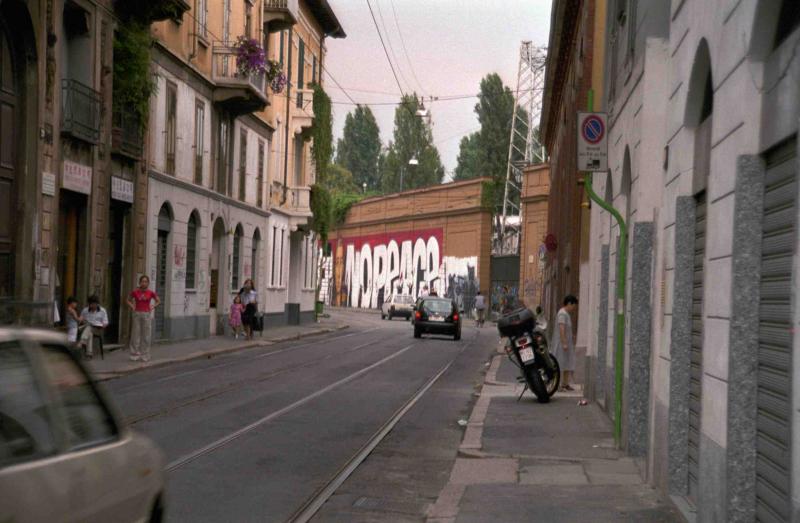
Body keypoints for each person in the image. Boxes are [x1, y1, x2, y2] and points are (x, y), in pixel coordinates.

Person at [126, 275, 160, 362]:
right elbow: (128, 300)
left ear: (148, 283)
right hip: (137, 313)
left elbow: (158, 301)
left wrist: (152, 306)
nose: (144, 283)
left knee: (146, 335)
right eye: (142, 281)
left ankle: (145, 354)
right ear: (139, 282)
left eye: (146, 281)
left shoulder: (151, 292)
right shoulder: (135, 292)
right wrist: (132, 306)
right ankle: (134, 354)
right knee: (135, 334)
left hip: (146, 314)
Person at [551, 295, 578, 391]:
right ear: (569, 303)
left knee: (567, 363)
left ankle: (565, 384)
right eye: (573, 306)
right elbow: (561, 329)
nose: (574, 308)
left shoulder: (566, 314)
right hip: (562, 344)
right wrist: (564, 343)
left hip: (567, 344)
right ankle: (556, 385)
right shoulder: (562, 314)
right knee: (559, 364)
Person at [79, 295, 108, 360]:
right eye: (91, 304)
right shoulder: (85, 310)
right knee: (89, 331)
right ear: (89, 304)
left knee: (89, 328)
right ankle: (89, 354)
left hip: (98, 329)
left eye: (94, 304)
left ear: (97, 304)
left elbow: (106, 322)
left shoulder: (102, 310)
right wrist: (82, 320)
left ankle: (82, 342)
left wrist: (103, 325)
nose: (93, 306)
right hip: (86, 327)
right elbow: (80, 319)